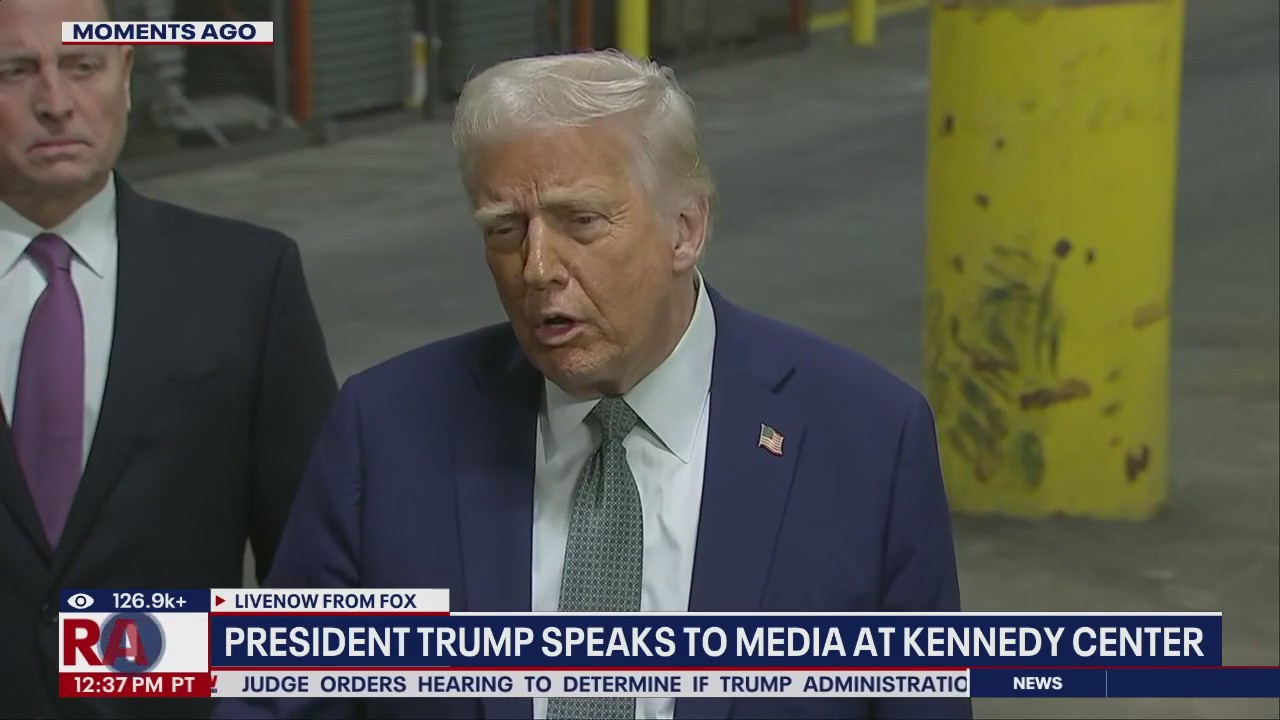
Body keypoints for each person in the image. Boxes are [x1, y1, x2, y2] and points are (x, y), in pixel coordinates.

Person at [216, 50, 969, 720]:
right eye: (505, 228)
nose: (537, 267)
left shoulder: (867, 440)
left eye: (580, 220)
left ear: (686, 229)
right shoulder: (386, 429)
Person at [0, 1, 338, 718]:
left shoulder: (247, 278)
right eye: (15, 71)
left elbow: (313, 567)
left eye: (82, 66)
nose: (55, 103)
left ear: (124, 76)